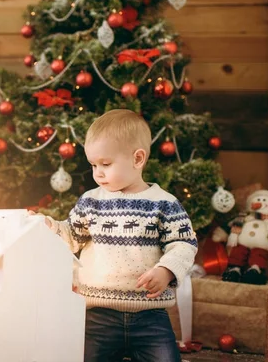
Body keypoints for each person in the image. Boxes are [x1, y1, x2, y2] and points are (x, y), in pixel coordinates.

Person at [37, 109, 197, 362]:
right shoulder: (91, 202)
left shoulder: (164, 204)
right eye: (93, 165)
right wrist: (51, 227)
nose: (98, 172)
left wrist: (166, 271)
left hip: (150, 317)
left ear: (138, 158)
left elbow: (184, 244)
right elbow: (72, 236)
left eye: (106, 164)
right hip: (97, 315)